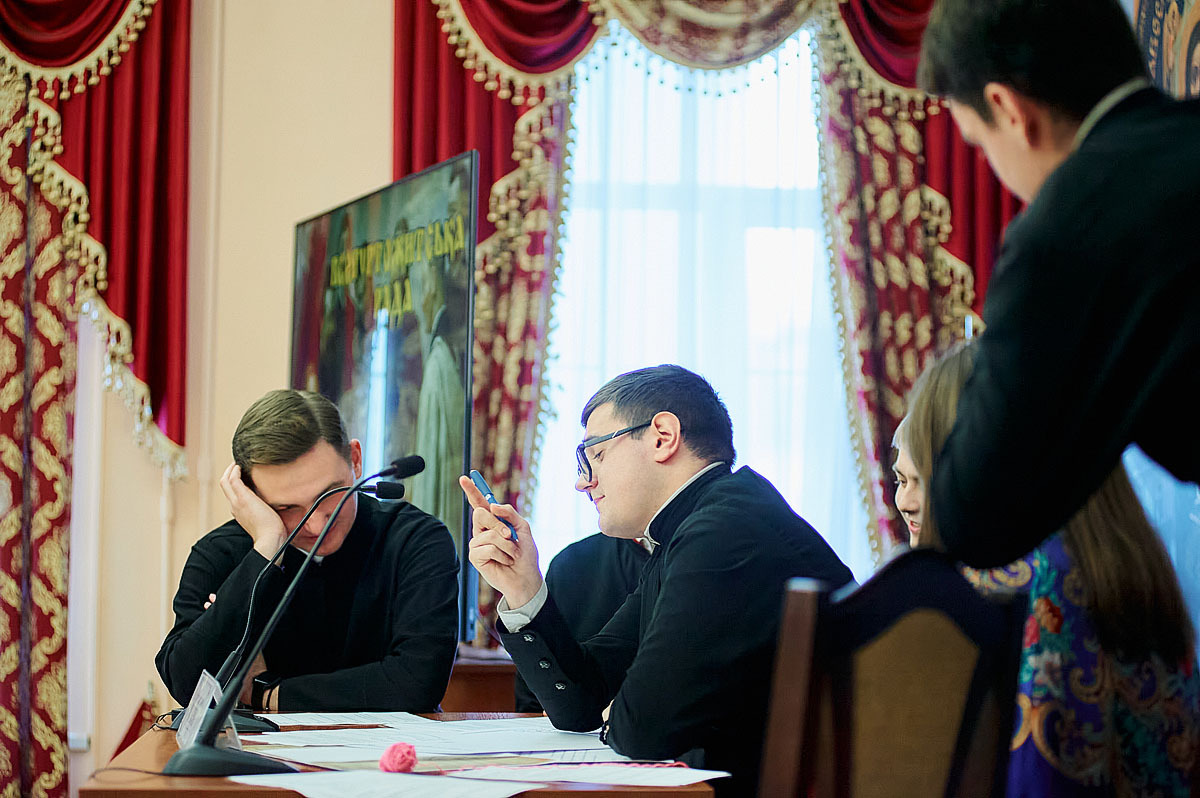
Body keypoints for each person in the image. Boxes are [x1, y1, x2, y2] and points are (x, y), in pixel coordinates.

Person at [461, 364, 854, 796]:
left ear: (663, 437)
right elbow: (582, 703)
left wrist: (622, 712)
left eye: (596, 455)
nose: (582, 482)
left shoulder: (724, 530)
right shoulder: (691, 528)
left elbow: (642, 731)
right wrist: (523, 588)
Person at [916, 0, 1200, 566]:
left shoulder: (1066, 232)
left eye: (979, 143)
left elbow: (973, 517)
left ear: (1008, 110)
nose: (994, 167)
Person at [894, 343, 1200, 794]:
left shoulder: (1022, 583)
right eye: (900, 480)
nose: (906, 501)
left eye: (921, 477)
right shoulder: (1125, 560)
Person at [156, 389, 459, 712]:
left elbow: (417, 683)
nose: (316, 525)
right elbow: (187, 686)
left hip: (391, 745)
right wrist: (267, 547)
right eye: (286, 508)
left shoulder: (416, 540)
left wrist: (267, 695)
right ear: (251, 496)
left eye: (330, 494)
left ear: (355, 460)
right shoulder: (221, 552)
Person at [513, 533, 650, 713]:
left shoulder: (683, 559)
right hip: (572, 725)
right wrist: (520, 594)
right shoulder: (571, 563)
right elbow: (533, 700)